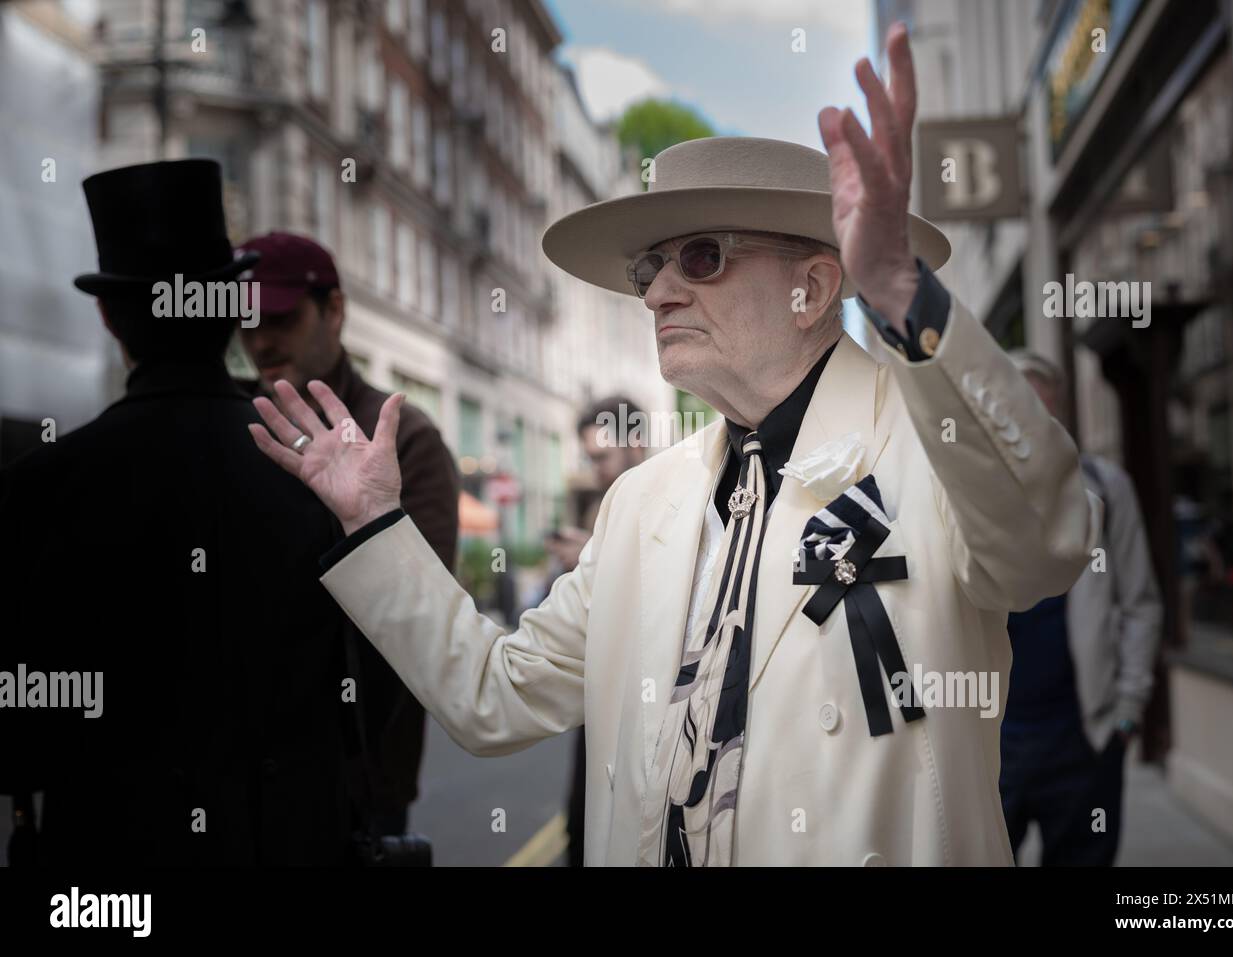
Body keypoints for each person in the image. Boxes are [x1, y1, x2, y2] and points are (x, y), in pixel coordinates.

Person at [249, 25, 1100, 865]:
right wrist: (374, 524)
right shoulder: (641, 504)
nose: (657, 289)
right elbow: (493, 698)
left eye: (700, 257)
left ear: (814, 287)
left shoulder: (927, 445)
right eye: (646, 268)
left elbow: (1046, 540)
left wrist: (907, 296)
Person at [0, 160, 353, 866]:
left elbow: (19, 738)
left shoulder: (41, 486)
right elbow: (358, 698)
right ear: (228, 308)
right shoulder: (318, 477)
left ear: (107, 314)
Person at [234, 231, 460, 835]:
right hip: (238, 768)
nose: (259, 338)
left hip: (357, 772)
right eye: (245, 319)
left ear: (333, 310)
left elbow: (424, 610)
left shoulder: (402, 435)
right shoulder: (233, 426)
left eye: (279, 316)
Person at [999, 350, 1162, 866]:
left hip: (1084, 738)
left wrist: (1127, 715)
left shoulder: (1106, 488)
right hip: (991, 741)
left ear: (1062, 416)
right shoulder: (964, 499)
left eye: (1041, 413)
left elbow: (1140, 602)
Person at [554, 396, 649, 866]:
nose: (596, 471)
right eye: (589, 459)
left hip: (645, 700)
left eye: (601, 458)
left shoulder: (669, 501)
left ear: (637, 443)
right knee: (584, 823)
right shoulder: (600, 502)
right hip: (594, 692)